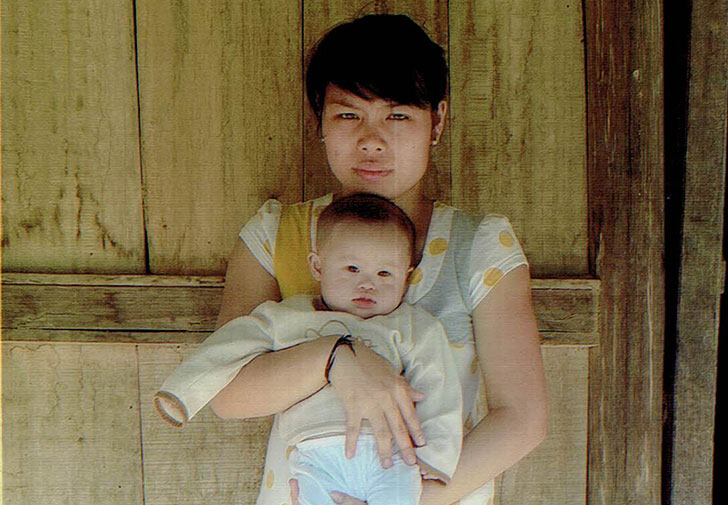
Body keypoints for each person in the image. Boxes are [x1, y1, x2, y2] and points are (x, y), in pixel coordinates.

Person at [209, 13, 548, 505]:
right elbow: (224, 392)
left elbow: (522, 418)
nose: (372, 139)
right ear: (319, 121)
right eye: (348, 115)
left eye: (398, 115)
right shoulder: (276, 236)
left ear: (437, 121)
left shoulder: (479, 246)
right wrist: (335, 360)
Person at [154, 193, 463, 505]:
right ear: (318, 266)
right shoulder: (288, 317)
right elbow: (230, 345)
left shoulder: (412, 327)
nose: (367, 284)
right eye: (352, 268)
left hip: (390, 457)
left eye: (384, 273)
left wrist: (435, 460)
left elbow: (438, 387)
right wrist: (184, 392)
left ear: (407, 276)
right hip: (315, 459)